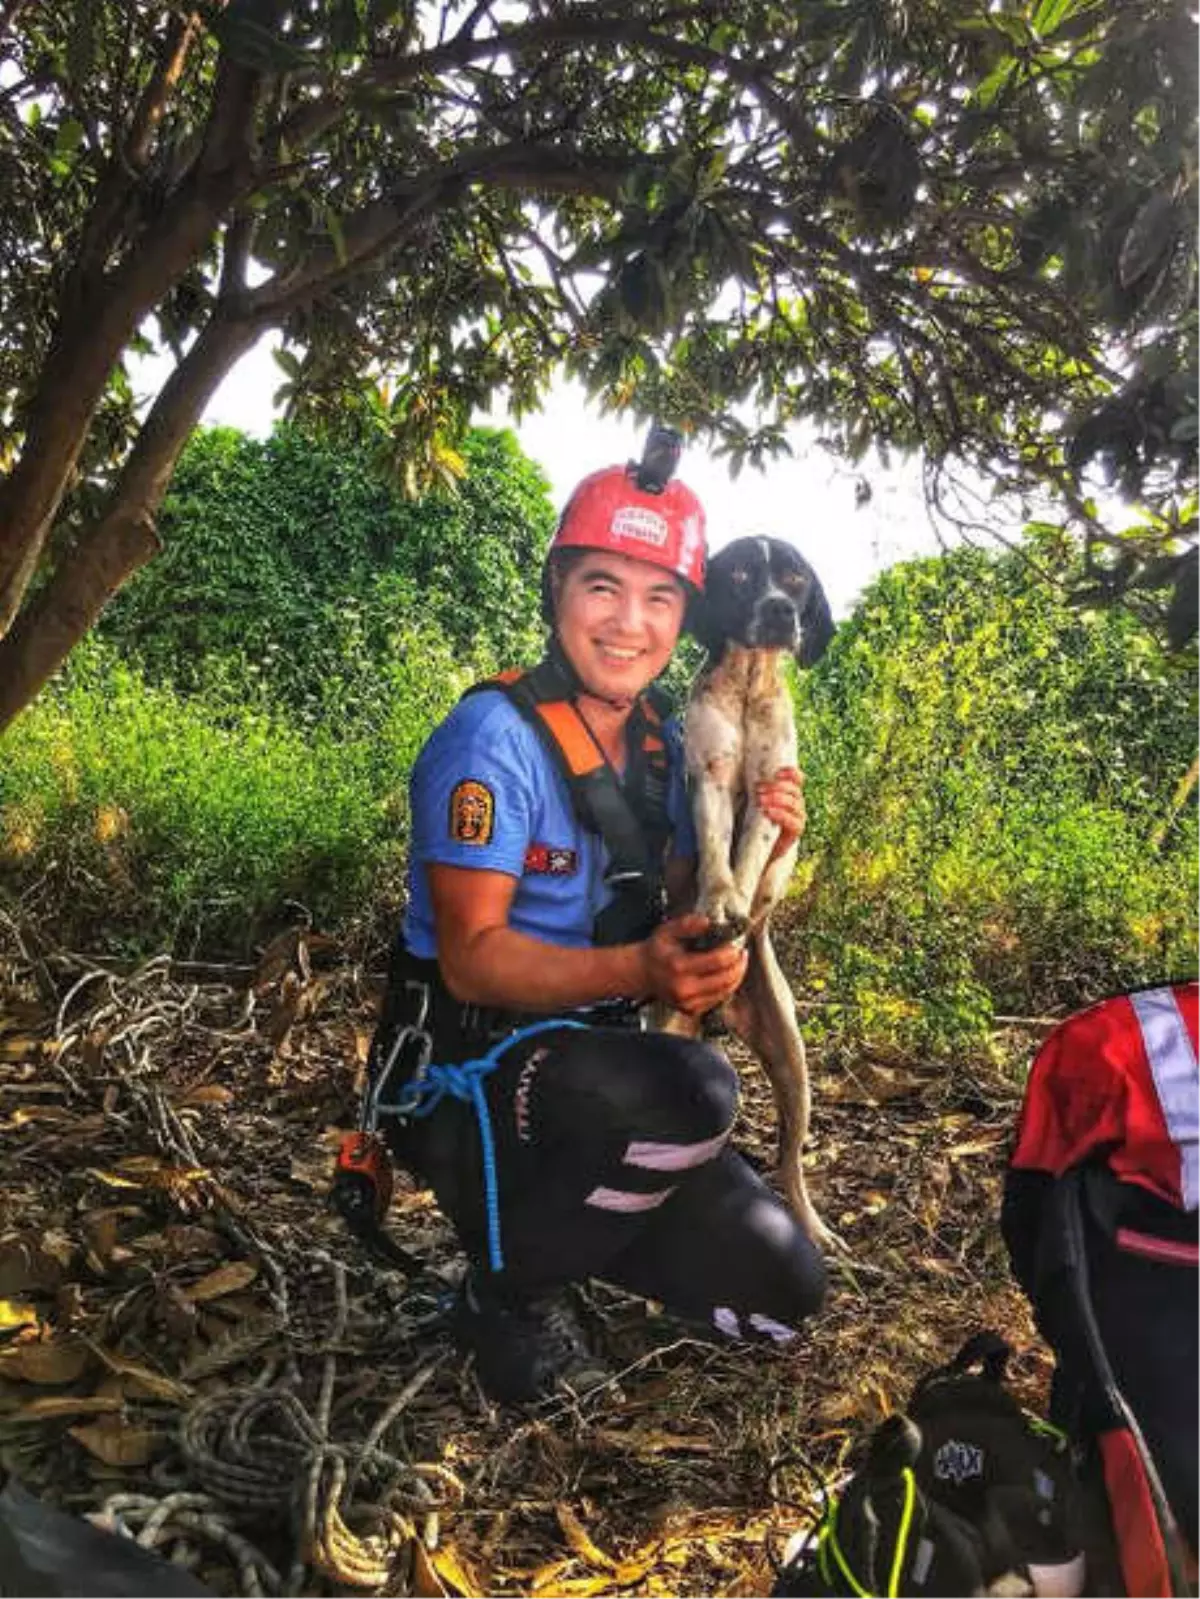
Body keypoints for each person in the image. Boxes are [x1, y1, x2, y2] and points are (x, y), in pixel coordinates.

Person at [374, 443, 827, 1404]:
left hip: (610, 1077)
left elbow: (678, 895)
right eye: (602, 587)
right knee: (697, 1092)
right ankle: (508, 1289)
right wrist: (642, 971)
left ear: (687, 617)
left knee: (786, 1286)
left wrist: (769, 836)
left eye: (659, 597)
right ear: (556, 588)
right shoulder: (491, 740)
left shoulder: (668, 740)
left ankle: (582, 1229)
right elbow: (470, 960)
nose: (629, 623)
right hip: (475, 1075)